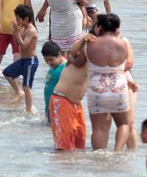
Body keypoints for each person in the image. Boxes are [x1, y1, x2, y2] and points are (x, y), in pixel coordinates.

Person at [73, 13, 131, 151]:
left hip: (97, 90)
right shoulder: (124, 43)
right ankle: (117, 152)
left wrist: (70, 58)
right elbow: (129, 64)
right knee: (123, 124)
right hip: (119, 88)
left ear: (99, 28)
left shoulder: (90, 45)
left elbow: (78, 62)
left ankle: (99, 156)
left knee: (98, 128)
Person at [50, 37, 89, 151]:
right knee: (64, 146)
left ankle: (74, 168)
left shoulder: (98, 58)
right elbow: (72, 52)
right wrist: (83, 39)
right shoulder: (76, 57)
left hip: (76, 104)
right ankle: (63, 167)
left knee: (79, 144)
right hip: (62, 100)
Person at [2, 4, 39, 114]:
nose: (17, 21)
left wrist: (17, 32)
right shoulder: (24, 28)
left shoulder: (31, 30)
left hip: (30, 61)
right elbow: (17, 42)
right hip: (23, 60)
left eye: (18, 19)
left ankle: (29, 110)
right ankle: (19, 92)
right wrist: (15, 31)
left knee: (27, 86)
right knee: (7, 73)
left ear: (26, 19)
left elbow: (23, 45)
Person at [41, 41, 66, 122]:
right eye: (46, 60)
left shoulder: (65, 68)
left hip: (59, 106)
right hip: (49, 104)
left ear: (59, 55)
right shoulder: (55, 65)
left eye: (51, 60)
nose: (49, 63)